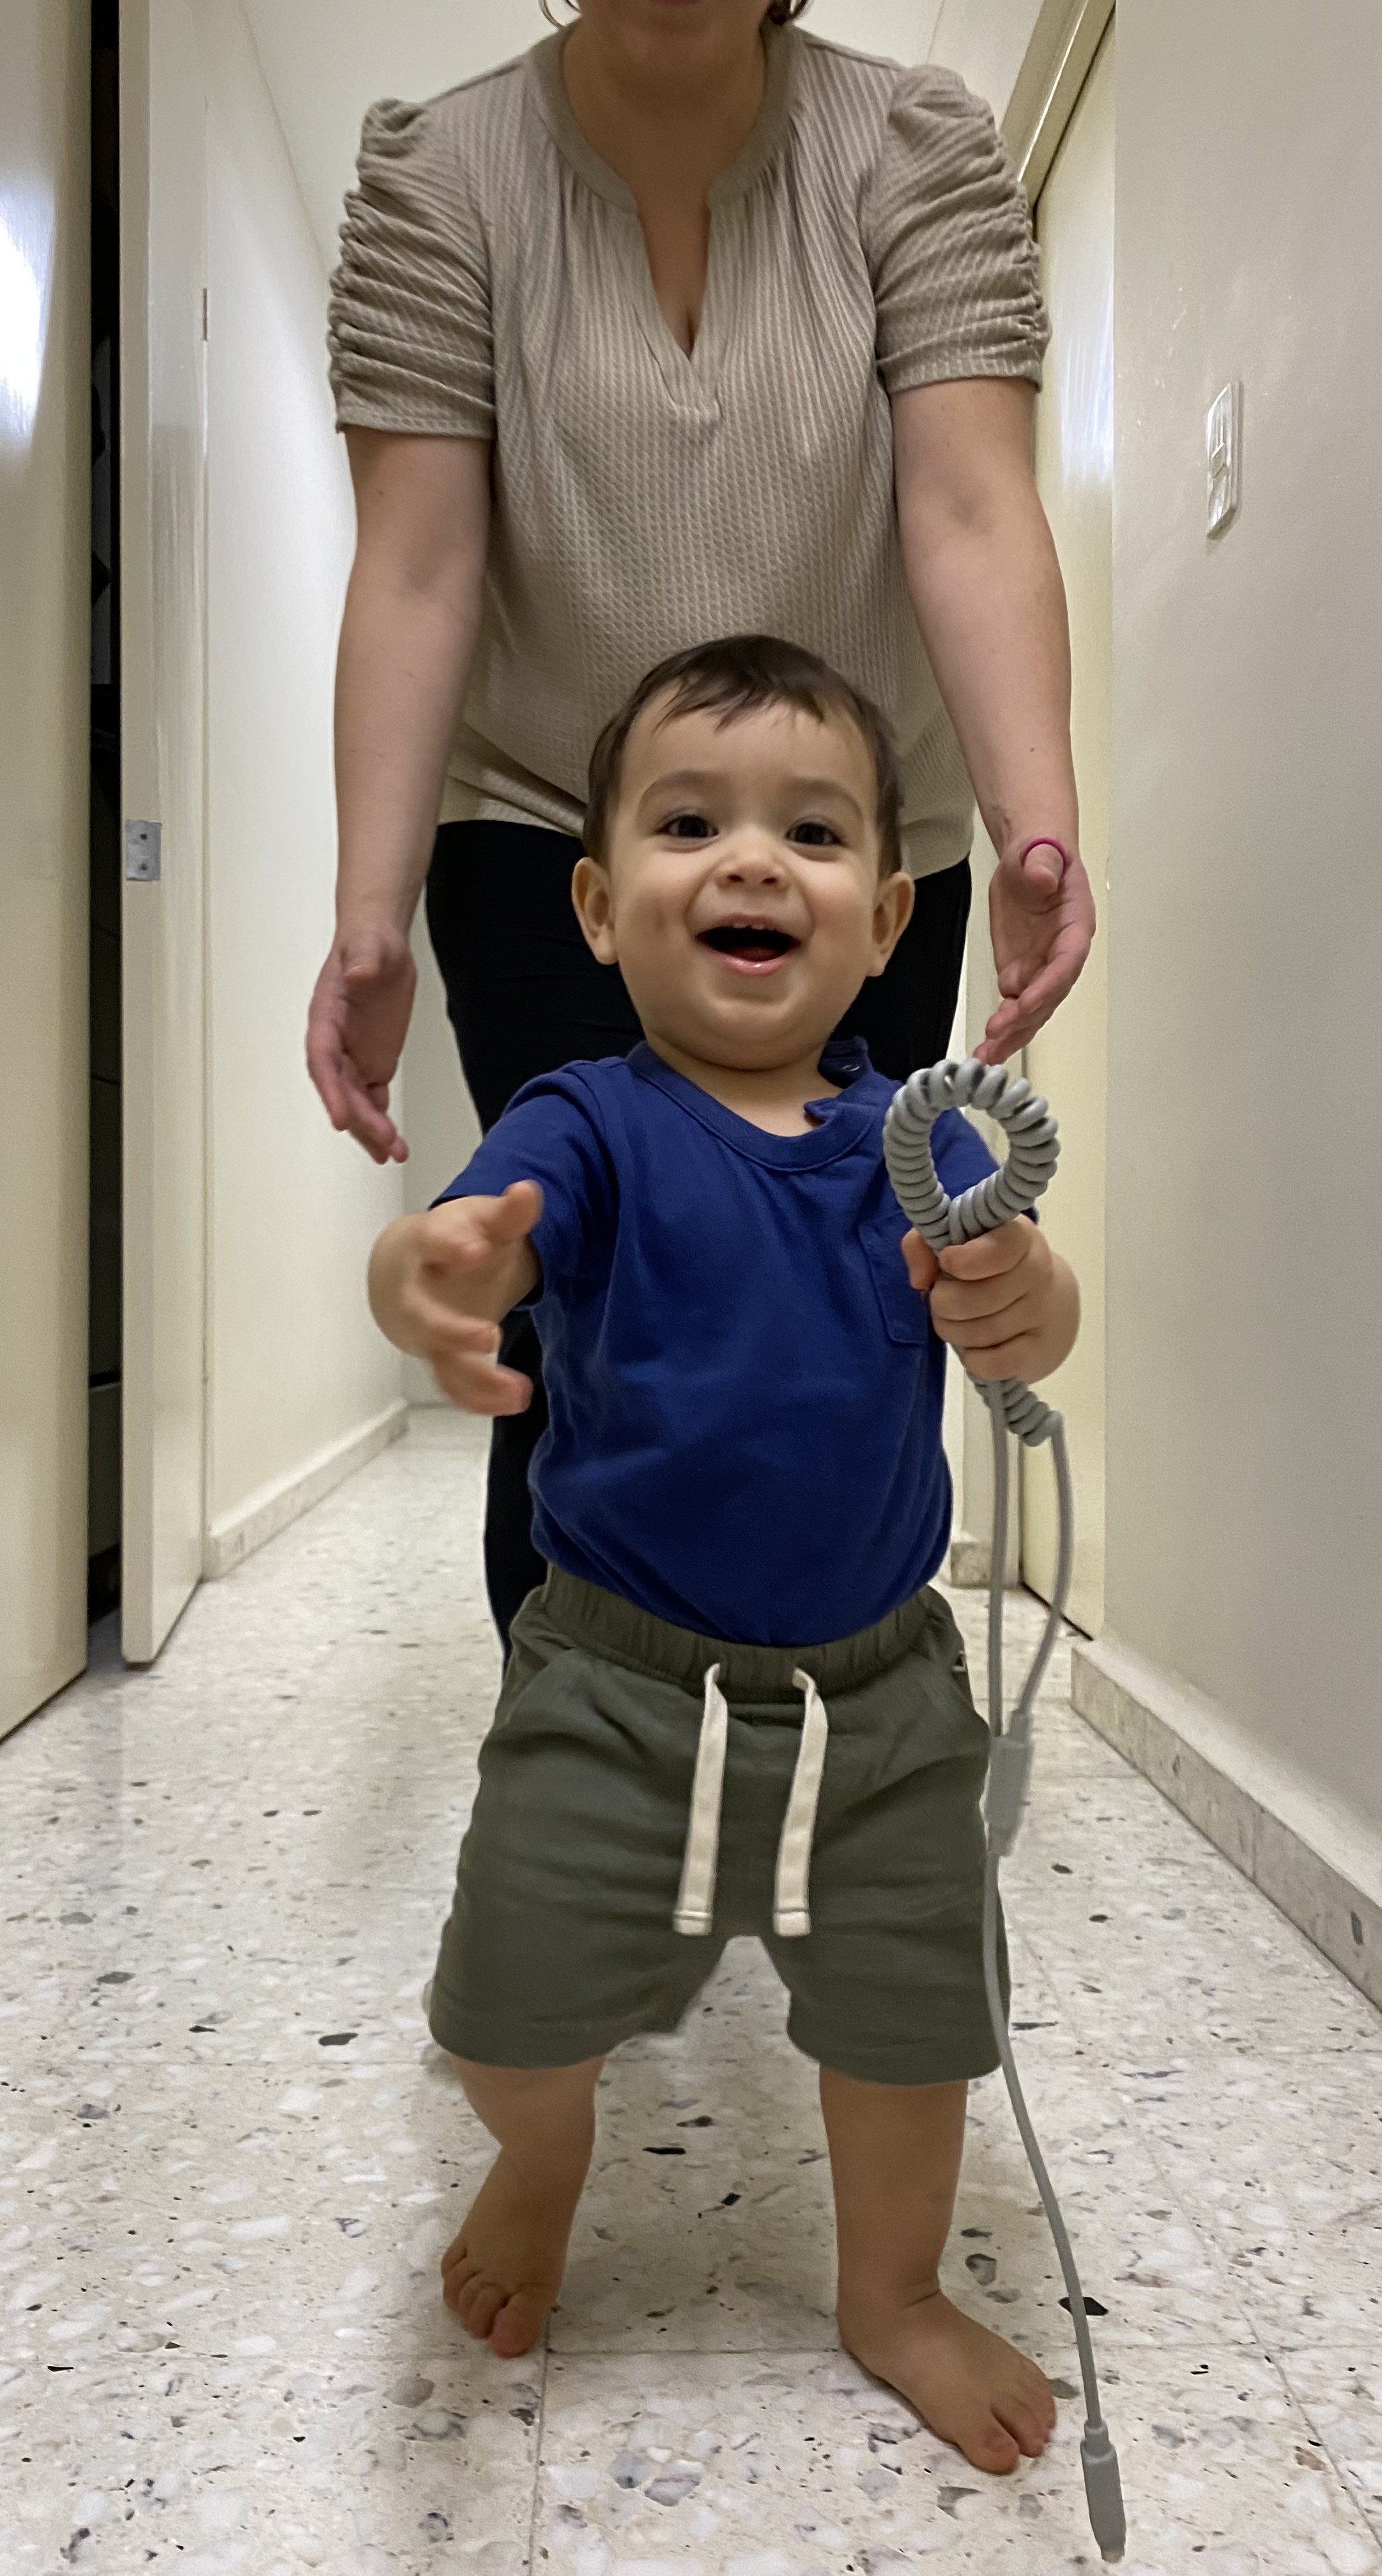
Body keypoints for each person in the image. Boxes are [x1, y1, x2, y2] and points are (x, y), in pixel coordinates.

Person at [367, 637, 1079, 2472]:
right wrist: (432, 1269)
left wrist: (1027, 1294)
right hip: (613, 1685)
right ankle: (544, 2159)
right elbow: (479, 1224)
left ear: (885, 917)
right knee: (502, 2018)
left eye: (812, 833)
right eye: (689, 824)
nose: (753, 859)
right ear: (598, 908)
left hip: (880, 1701)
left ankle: (891, 2292)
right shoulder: (587, 1118)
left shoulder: (919, 1143)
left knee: (917, 2031)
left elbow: (1034, 1303)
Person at [314, 0, 1096, 1650]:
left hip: (857, 836)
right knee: (578, 1300)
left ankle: (839, 1681)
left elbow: (969, 504)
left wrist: (1035, 829)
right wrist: (368, 916)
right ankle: (581, 1730)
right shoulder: (439, 176)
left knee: (853, 1288)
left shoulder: (913, 149)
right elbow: (417, 566)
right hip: (552, 828)